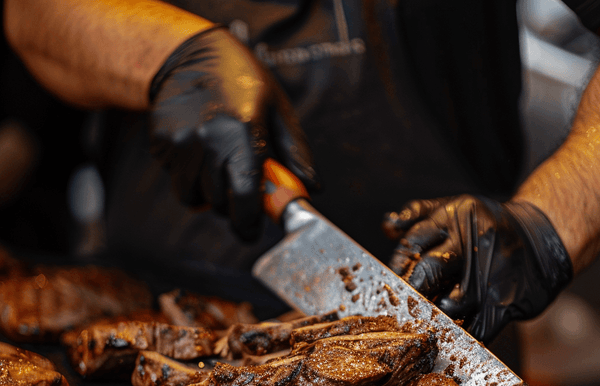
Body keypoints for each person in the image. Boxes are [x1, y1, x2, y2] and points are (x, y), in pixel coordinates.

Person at [4, 0, 600, 337]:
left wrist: (553, 221)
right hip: (152, 328)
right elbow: (31, 13)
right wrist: (168, 56)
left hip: (453, 315)